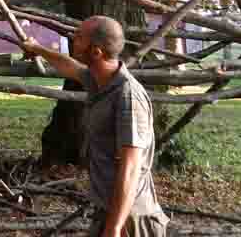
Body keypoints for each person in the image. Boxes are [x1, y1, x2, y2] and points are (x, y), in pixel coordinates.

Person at [20, 16, 169, 237]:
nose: (73, 39)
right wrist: (38, 49)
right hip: (110, 210)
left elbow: (131, 168)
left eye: (79, 37)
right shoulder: (100, 80)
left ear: (97, 52)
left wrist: (115, 227)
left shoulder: (127, 96)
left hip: (131, 219)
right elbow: (71, 67)